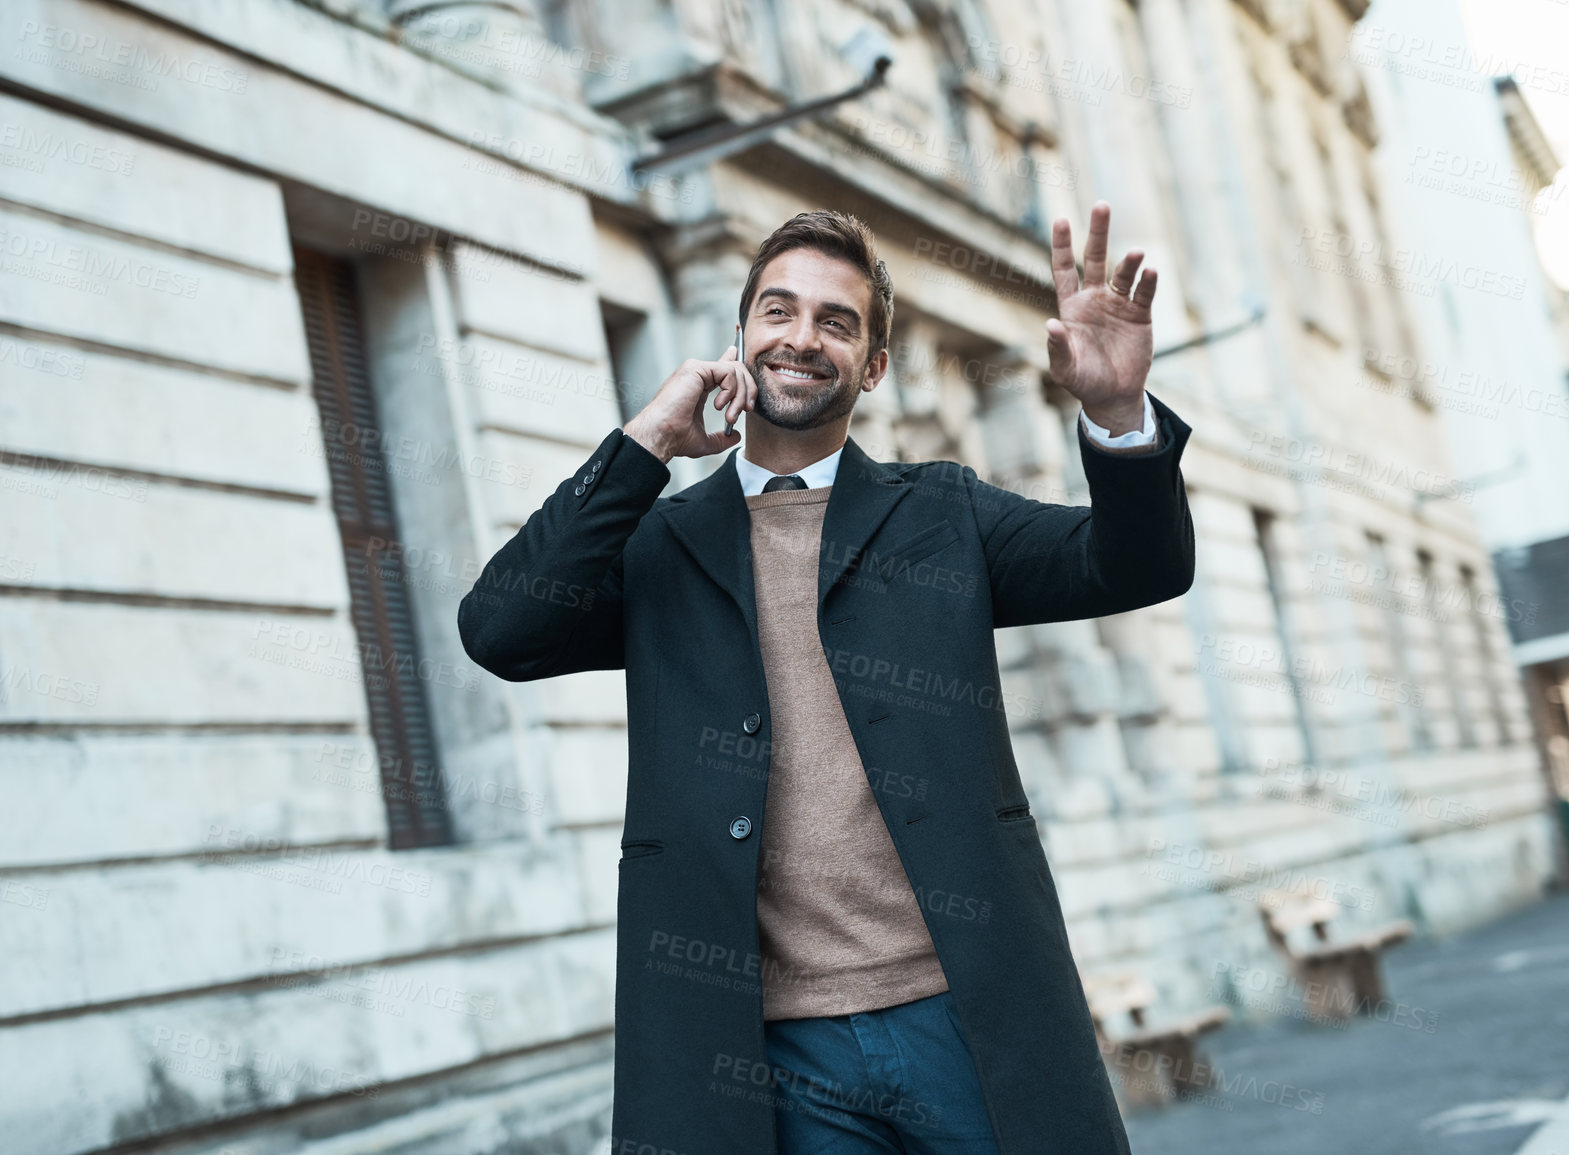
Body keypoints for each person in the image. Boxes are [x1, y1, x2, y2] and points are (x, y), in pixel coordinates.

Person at [458, 203, 1194, 1154]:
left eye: (835, 322)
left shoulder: (943, 513)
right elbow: (500, 628)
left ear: (873, 366)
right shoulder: (663, 547)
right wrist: (644, 447)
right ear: (740, 336)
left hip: (963, 1019)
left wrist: (1113, 414)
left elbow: (1134, 565)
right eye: (777, 310)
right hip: (769, 1053)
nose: (801, 337)